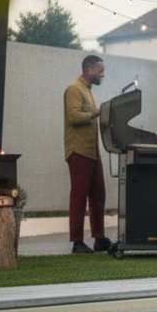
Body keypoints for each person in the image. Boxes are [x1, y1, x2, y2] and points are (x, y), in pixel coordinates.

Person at [63, 54, 110, 254]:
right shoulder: (74, 88)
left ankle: (99, 238)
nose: (103, 75)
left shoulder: (88, 90)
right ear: (89, 70)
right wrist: (95, 113)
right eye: (100, 71)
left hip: (92, 151)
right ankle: (77, 242)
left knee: (98, 195)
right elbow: (73, 116)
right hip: (79, 151)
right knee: (79, 197)